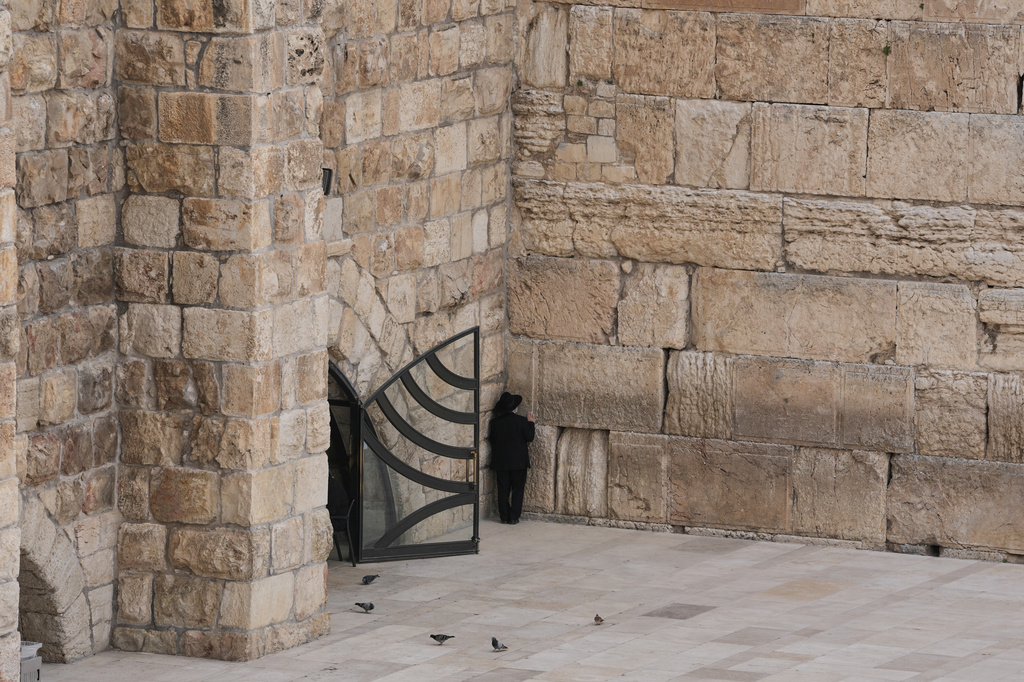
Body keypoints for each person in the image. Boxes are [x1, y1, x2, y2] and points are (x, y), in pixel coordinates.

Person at [487, 392, 535, 525]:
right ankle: (514, 517)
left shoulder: (495, 423)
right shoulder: (521, 421)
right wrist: (531, 423)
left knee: (503, 489)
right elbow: (530, 437)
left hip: (501, 462)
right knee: (517, 490)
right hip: (519, 462)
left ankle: (504, 517)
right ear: (515, 408)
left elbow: (492, 439)